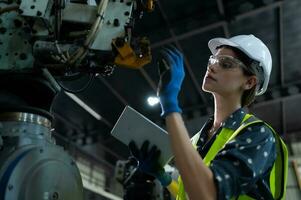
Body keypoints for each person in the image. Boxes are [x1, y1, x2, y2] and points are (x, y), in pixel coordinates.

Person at [129, 35, 288, 200]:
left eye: (225, 64)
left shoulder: (258, 135)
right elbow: (192, 194)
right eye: (212, 61)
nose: (211, 67)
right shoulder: (195, 141)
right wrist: (162, 176)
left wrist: (170, 106)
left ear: (250, 82)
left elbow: (209, 193)